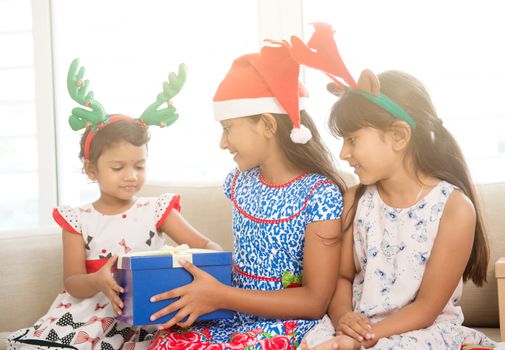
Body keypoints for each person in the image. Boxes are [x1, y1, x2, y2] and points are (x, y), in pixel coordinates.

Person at [289, 24, 495, 349]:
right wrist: (344, 318)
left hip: (419, 330)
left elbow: (426, 308)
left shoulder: (453, 208)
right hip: (357, 328)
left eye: (353, 140)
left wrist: (363, 339)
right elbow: (341, 277)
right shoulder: (356, 200)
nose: (344, 154)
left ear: (398, 136)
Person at [143, 40, 346, 349]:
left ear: (266, 125)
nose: (223, 143)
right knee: (165, 342)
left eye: (228, 128)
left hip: (287, 325)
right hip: (234, 316)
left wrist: (220, 296)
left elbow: (314, 301)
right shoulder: (240, 181)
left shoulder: (320, 195)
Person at [7, 59, 221, 350]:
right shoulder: (77, 219)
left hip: (148, 308)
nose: (131, 176)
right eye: (118, 167)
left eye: (139, 166)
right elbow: (72, 281)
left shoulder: (156, 210)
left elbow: (206, 246)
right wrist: (97, 280)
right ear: (92, 170)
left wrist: (206, 262)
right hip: (93, 312)